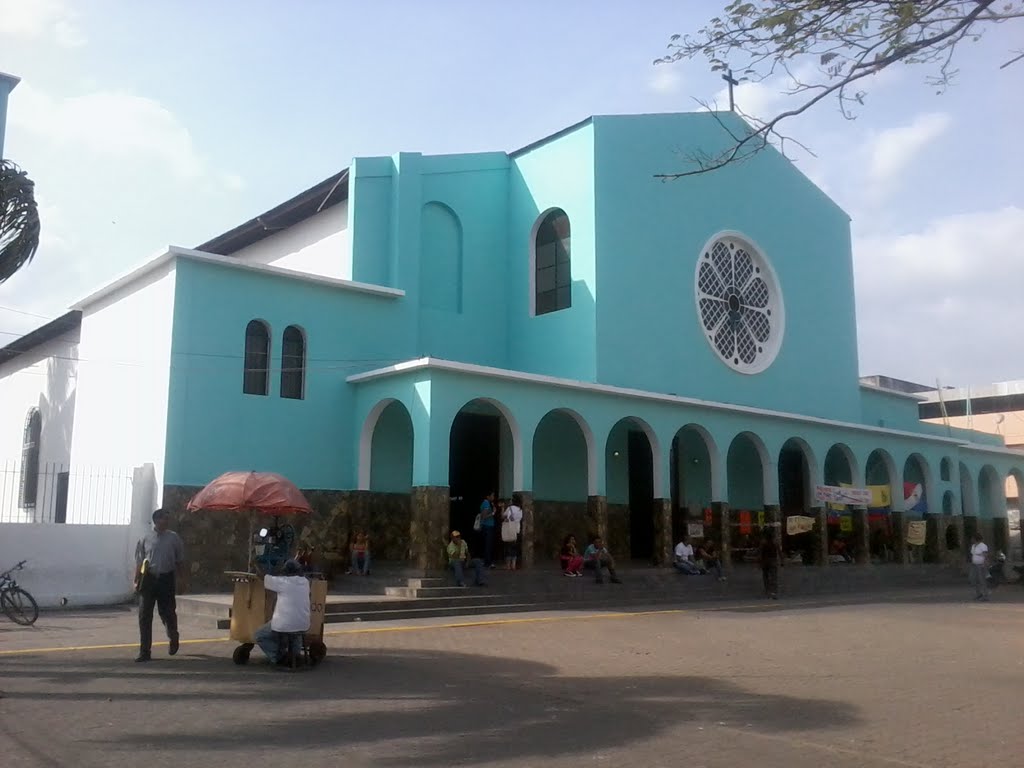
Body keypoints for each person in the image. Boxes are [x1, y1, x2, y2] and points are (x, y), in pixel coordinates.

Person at [135, 508, 185, 662]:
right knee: (144, 615)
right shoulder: (145, 538)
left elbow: (180, 561)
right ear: (156, 520)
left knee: (167, 612)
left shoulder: (174, 538)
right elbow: (138, 561)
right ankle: (145, 651)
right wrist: (136, 580)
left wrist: (182, 580)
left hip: (166, 579)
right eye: (164, 518)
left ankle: (173, 636)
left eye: (168, 518)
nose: (167, 521)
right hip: (149, 579)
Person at [254, 559, 311, 665]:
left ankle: (278, 657)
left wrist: (255, 564)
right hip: (304, 623)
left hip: (284, 624)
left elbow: (263, 577)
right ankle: (295, 655)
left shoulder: (282, 582)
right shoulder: (305, 582)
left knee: (259, 635)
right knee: (295, 632)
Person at [760, 527, 782, 599]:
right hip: (773, 561)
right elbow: (779, 552)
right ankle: (774, 592)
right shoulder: (775, 542)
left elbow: (761, 553)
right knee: (773, 577)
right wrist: (782, 561)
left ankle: (768, 592)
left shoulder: (763, 542)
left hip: (765, 561)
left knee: (766, 578)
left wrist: (760, 562)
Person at [502, 494, 524, 570]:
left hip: (510, 530)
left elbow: (503, 516)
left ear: (513, 501)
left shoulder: (510, 508)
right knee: (514, 548)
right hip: (517, 530)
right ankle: (513, 565)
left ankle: (508, 565)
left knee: (508, 548)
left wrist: (502, 508)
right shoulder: (520, 510)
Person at [969, 531, 990, 601]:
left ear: (976, 538)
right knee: (973, 579)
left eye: (972, 538)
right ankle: (978, 593)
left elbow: (985, 555)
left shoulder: (983, 546)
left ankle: (985, 596)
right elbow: (973, 554)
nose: (971, 539)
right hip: (974, 564)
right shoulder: (973, 546)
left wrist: (984, 564)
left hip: (981, 565)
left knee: (982, 580)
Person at [479, 492, 497, 568]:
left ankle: (487, 561)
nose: (493, 497)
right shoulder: (486, 503)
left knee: (488, 545)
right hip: (487, 526)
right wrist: (493, 513)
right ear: (488, 496)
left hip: (488, 526)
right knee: (488, 545)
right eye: (492, 496)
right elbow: (484, 516)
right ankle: (488, 562)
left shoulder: (488, 503)